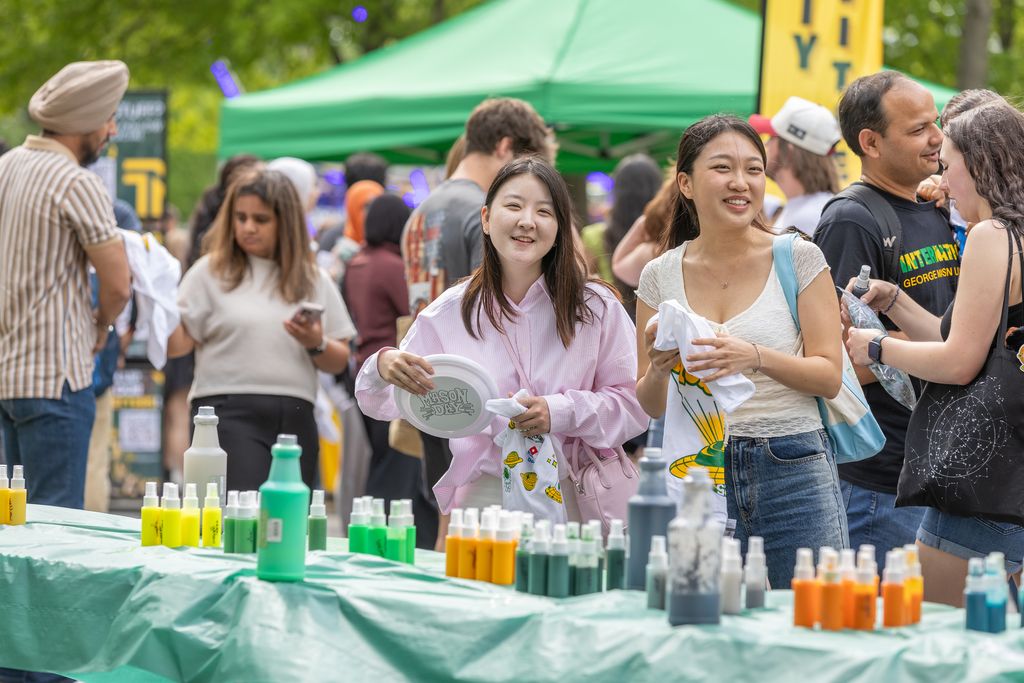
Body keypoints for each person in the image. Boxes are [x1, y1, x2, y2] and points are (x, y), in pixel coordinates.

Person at [357, 156, 646, 518]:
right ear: (486, 219)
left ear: (559, 228)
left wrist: (558, 412)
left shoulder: (595, 307)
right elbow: (380, 402)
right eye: (513, 206)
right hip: (488, 498)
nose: (527, 221)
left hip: (576, 494)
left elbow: (634, 406)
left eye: (544, 211)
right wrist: (384, 365)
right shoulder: (451, 311)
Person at [635, 115, 846, 588]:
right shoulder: (659, 276)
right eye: (723, 168)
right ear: (685, 183)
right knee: (702, 619)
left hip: (793, 466)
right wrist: (660, 369)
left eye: (754, 169)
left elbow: (829, 375)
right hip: (696, 472)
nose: (741, 183)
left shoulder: (798, 257)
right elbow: (649, 404)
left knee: (809, 620)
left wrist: (752, 355)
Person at [846, 101, 1024, 604]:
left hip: (982, 479)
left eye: (949, 166)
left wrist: (876, 346)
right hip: (1008, 474)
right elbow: (965, 340)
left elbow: (959, 362)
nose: (943, 182)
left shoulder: (992, 236)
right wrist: (896, 300)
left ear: (980, 163)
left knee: (941, 635)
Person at [814, 72, 958, 573]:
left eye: (935, 123)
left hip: (941, 469)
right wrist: (946, 350)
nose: (937, 137)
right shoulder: (851, 220)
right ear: (870, 142)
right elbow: (831, 362)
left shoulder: (939, 206)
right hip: (879, 482)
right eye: (918, 129)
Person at [400, 97, 553, 532]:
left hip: (428, 388)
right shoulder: (478, 211)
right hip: (475, 398)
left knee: (443, 522)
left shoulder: (422, 210)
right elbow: (495, 307)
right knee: (465, 531)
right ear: (506, 147)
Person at [167, 169, 356, 491]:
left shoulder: (312, 278)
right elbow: (176, 346)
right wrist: (159, 301)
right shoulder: (210, 272)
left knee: (290, 526)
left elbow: (340, 360)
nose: (248, 227)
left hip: (295, 412)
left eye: (261, 219)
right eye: (240, 217)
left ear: (285, 222)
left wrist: (315, 342)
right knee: (241, 524)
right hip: (226, 409)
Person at [0, 60, 132, 510]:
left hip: (7, 379)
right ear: (87, 123)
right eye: (109, 119)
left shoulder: (6, 167)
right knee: (55, 532)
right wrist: (102, 327)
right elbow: (118, 284)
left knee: (14, 529)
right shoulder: (77, 183)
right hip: (56, 380)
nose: (111, 130)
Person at [343, 194, 438, 546]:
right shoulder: (390, 266)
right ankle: (387, 534)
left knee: (380, 459)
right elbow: (417, 310)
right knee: (398, 464)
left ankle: (369, 528)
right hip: (392, 371)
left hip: (366, 368)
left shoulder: (357, 262)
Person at [580, 154, 662, 315]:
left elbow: (584, 282)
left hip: (610, 317)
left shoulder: (593, 235)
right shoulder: (664, 237)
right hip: (657, 318)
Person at [749, 96, 841, 235]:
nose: (766, 145)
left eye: (772, 138)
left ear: (789, 151)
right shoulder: (809, 207)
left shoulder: (807, 216)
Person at [343, 180, 385, 246]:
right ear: (352, 207)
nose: (372, 212)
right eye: (367, 206)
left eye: (376, 206)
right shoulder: (335, 240)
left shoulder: (390, 243)